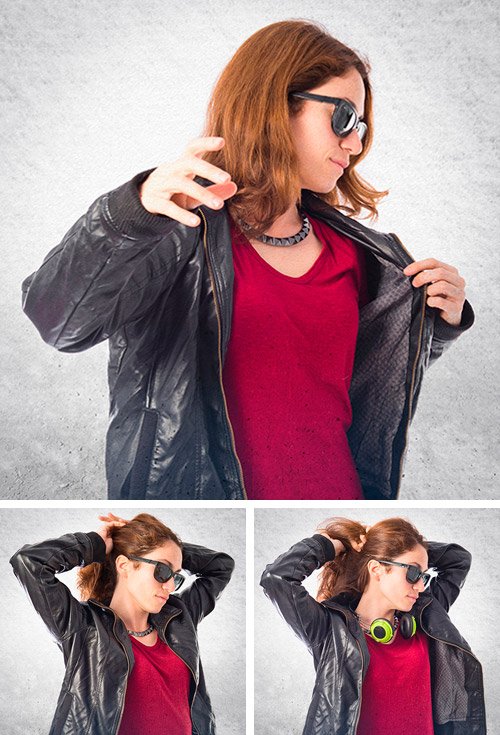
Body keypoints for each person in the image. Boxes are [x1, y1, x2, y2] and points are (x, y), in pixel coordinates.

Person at [22, 21, 472, 501]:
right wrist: (130, 213)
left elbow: (357, 381)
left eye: (361, 127)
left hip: (338, 505)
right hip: (208, 512)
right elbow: (60, 323)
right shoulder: (173, 228)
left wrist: (434, 324)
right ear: (275, 104)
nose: (356, 143)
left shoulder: (359, 255)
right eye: (343, 118)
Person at [10, 512, 234, 735]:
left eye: (176, 576)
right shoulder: (83, 627)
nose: (169, 586)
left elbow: (221, 567)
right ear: (124, 565)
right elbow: (29, 562)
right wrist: (95, 544)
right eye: (162, 571)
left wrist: (164, 549)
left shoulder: (180, 616)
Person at [260, 520, 485, 735]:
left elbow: (459, 560)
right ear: (376, 569)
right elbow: (276, 578)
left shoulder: (426, 615)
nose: (420, 585)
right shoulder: (329, 628)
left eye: (424, 575)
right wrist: (329, 546)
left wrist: (393, 546)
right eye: (414, 572)